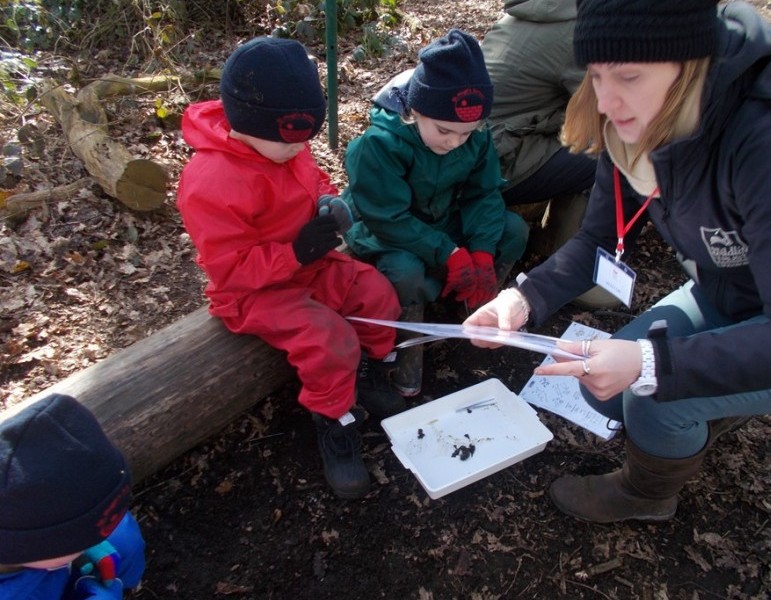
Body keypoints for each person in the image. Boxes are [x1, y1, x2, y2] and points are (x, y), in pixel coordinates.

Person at [464, 0, 771, 524]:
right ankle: (719, 400)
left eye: (628, 75)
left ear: (689, 63)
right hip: (734, 292)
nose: (607, 101)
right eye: (595, 76)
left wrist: (654, 365)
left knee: (653, 394)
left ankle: (645, 495)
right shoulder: (636, 120)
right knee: (604, 392)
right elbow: (597, 241)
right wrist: (522, 298)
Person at [176, 36, 405, 500]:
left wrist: (327, 202)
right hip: (255, 292)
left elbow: (311, 176)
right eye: (288, 141)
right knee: (330, 339)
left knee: (378, 293)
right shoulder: (210, 181)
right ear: (245, 124)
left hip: (308, 266)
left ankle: (368, 373)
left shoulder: (282, 143)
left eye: (305, 139)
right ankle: (334, 421)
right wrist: (295, 253)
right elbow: (229, 270)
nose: (298, 148)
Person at [342, 29, 529, 398]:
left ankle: (473, 308)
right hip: (387, 232)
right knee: (406, 274)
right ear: (416, 110)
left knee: (513, 230)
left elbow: (484, 193)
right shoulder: (378, 145)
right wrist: (447, 252)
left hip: (442, 217)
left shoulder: (472, 134)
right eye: (445, 130)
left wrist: (481, 250)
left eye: (467, 133)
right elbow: (387, 218)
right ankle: (407, 355)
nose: (455, 141)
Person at [480, 0, 616, 310]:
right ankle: (574, 264)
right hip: (498, 161)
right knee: (607, 155)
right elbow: (607, 111)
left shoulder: (534, 13)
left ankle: (552, 230)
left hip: (483, 148)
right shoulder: (577, 31)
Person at [0, 394, 145, 600]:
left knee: (123, 539)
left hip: (54, 569)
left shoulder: (32, 544)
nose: (98, 538)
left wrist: (80, 545)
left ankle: (128, 586)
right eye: (81, 540)